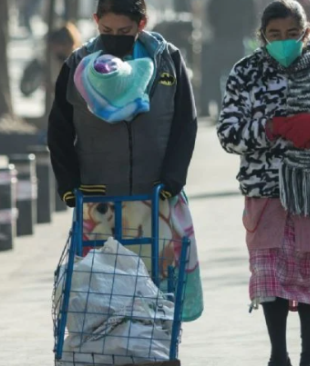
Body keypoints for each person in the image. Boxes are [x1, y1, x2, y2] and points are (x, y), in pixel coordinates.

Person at [217, 1, 310, 365]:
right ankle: (278, 354)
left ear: (307, 32)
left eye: (291, 35)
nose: (283, 41)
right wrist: (270, 129)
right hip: (265, 191)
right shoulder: (246, 73)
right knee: (270, 274)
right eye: (274, 35)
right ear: (262, 37)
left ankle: (308, 355)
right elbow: (228, 133)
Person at [47, 0, 203, 322]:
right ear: (95, 21)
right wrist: (69, 185)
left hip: (155, 198)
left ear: (142, 24)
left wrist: (172, 179)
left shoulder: (167, 62)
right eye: (107, 31)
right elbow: (59, 130)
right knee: (104, 297)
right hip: (99, 204)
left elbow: (185, 124)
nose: (115, 38)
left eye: (124, 31)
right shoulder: (78, 65)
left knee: (157, 294)